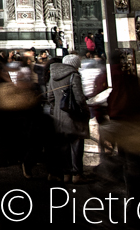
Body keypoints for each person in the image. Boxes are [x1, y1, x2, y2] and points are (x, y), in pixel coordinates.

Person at [47, 53, 89, 182]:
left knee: (64, 145)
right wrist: (85, 110)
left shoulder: (53, 75)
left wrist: (56, 110)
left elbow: (50, 97)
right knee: (76, 143)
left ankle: (66, 173)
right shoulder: (73, 75)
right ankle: (76, 174)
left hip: (59, 116)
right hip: (73, 115)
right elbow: (79, 98)